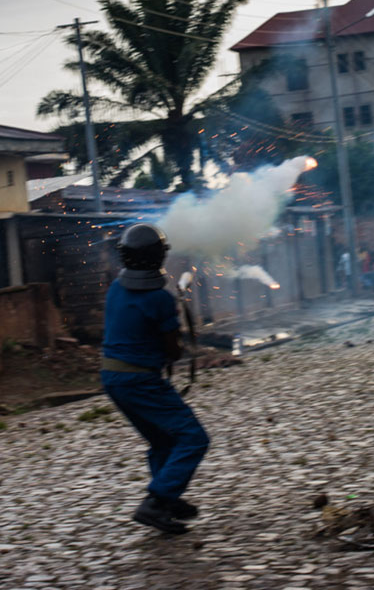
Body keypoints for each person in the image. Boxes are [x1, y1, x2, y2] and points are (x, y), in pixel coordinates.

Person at [101, 223, 209, 535]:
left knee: (162, 440)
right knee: (193, 438)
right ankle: (157, 499)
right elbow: (173, 352)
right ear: (158, 257)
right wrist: (175, 320)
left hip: (112, 378)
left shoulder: (115, 289)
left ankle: (167, 501)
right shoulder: (160, 300)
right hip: (140, 381)